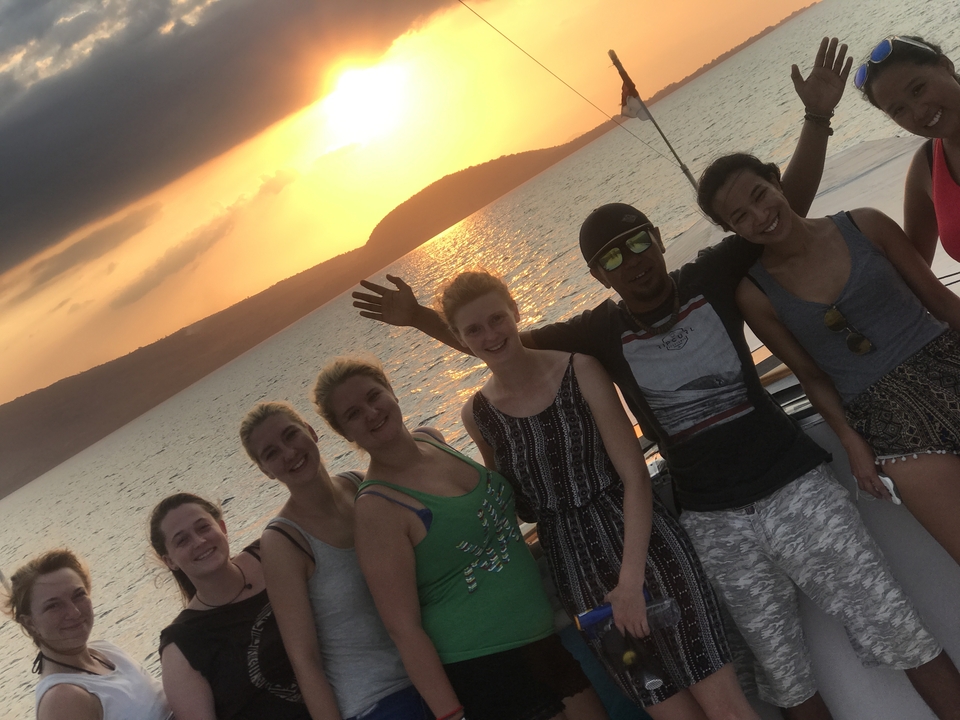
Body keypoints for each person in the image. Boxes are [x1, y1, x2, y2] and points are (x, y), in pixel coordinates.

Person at [350, 38, 960, 720]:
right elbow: (501, 344)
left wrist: (816, 120)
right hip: (712, 523)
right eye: (614, 256)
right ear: (598, 276)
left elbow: (778, 205)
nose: (632, 260)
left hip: (794, 484)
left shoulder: (712, 277)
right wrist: (422, 319)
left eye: (639, 241)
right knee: (788, 683)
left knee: (902, 631)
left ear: (660, 240)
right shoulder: (598, 334)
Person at [443, 269, 757, 720]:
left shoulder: (578, 368)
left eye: (496, 318)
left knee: (724, 705)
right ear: (459, 338)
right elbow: (510, 504)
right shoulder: (478, 415)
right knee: (667, 710)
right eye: (473, 329)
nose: (490, 335)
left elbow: (634, 476)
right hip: (579, 577)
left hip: (649, 552)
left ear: (515, 311)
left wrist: (630, 582)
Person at [698, 150, 960, 567]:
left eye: (760, 194)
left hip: (950, 367)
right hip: (888, 418)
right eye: (740, 216)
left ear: (776, 180)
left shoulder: (865, 224)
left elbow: (943, 302)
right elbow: (811, 375)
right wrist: (851, 440)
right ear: (730, 229)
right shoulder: (754, 295)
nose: (760, 215)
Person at [312, 357, 608, 720]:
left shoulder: (433, 440)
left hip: (541, 642)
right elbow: (403, 629)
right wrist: (450, 714)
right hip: (485, 665)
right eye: (353, 414)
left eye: (374, 396)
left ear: (391, 391)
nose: (371, 412)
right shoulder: (377, 510)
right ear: (345, 434)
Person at [239, 400, 429, 720]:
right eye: (271, 453)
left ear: (311, 432)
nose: (288, 453)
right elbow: (305, 661)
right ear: (265, 470)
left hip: (432, 668)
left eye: (291, 435)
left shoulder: (361, 485)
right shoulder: (283, 542)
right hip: (377, 702)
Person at [150, 493, 309, 720]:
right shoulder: (181, 648)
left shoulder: (272, 554)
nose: (199, 541)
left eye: (203, 527)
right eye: (182, 540)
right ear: (170, 561)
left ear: (222, 527)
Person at [3, 549, 172, 720]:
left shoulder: (106, 651)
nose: (74, 612)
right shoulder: (63, 700)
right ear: (29, 623)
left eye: (78, 595)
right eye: (54, 606)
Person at [854, 35, 960, 264]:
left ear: (945, 65)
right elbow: (915, 277)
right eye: (899, 110)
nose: (918, 113)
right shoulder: (927, 167)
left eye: (918, 89)